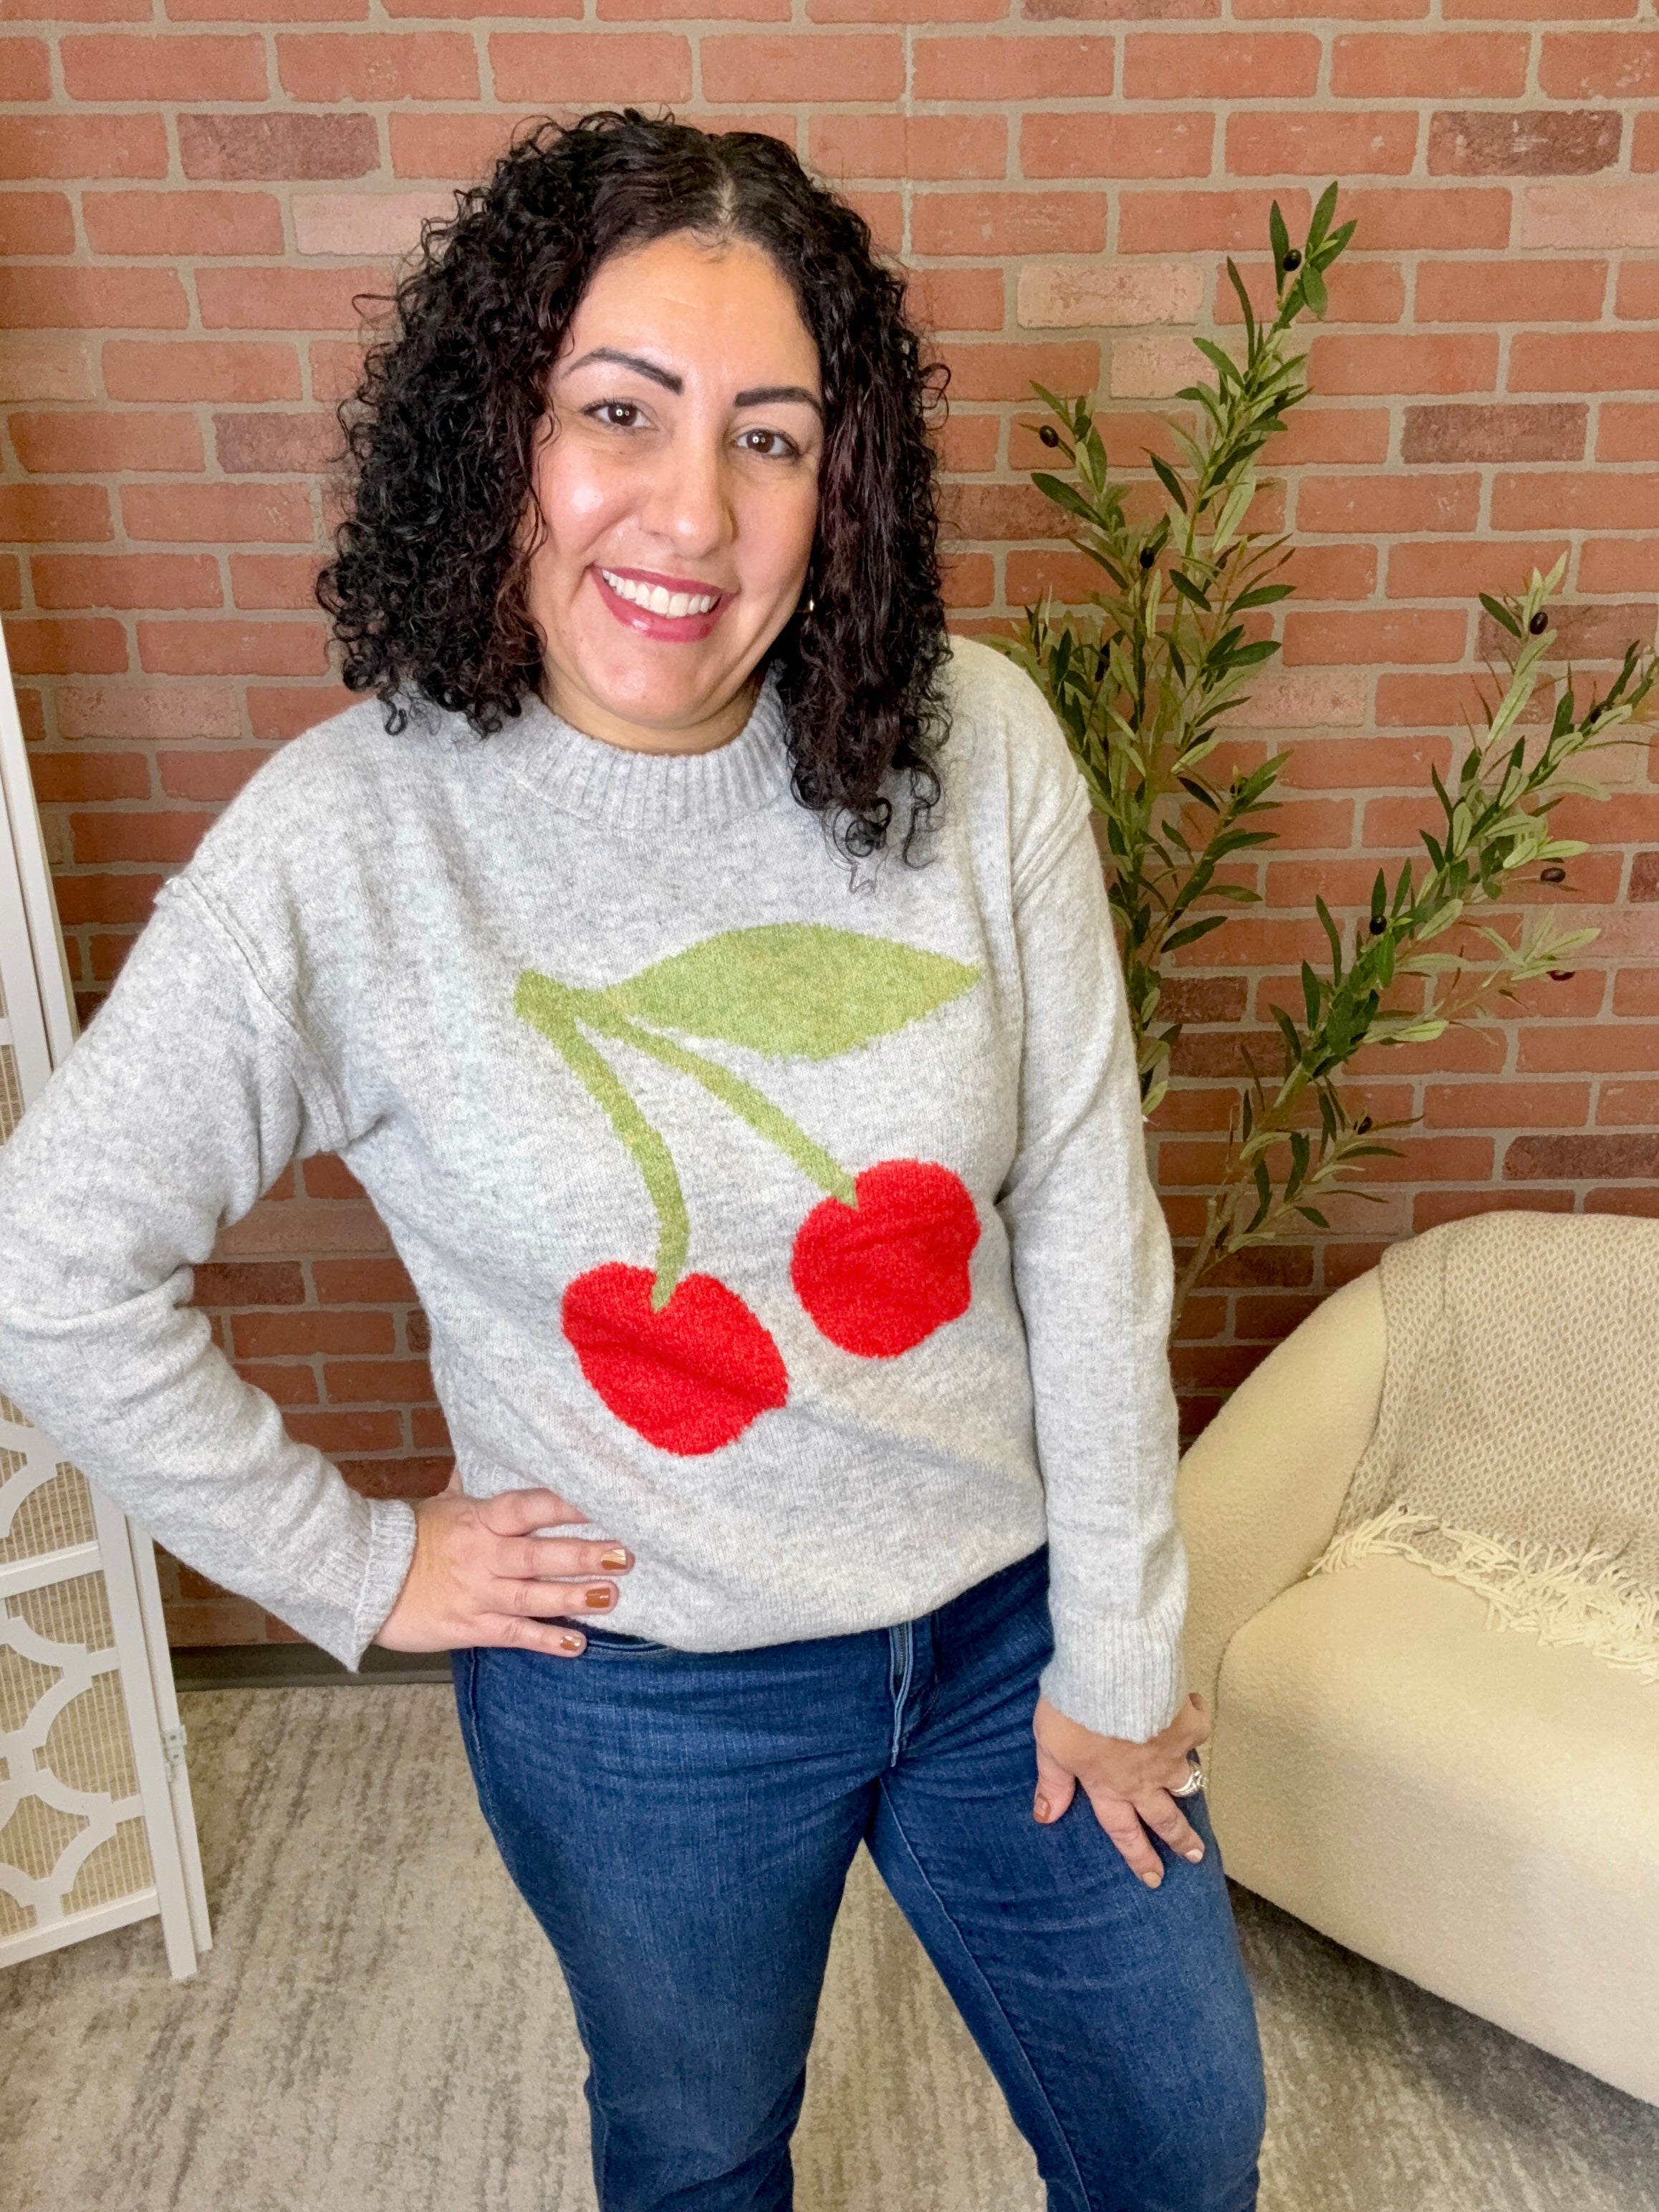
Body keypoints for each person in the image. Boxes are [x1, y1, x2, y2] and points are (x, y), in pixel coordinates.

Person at [0, 110, 1266, 2212]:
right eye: (619, 411)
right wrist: (357, 1563)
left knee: (1181, 2138)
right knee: (698, 2152)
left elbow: (1081, 1226)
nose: (692, 510)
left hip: (1005, 1621)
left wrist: (1120, 1656)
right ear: (500, 434)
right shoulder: (350, 845)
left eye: (771, 439)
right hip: (644, 1707)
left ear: (839, 489)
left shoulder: (977, 749)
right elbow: (46, 1262)